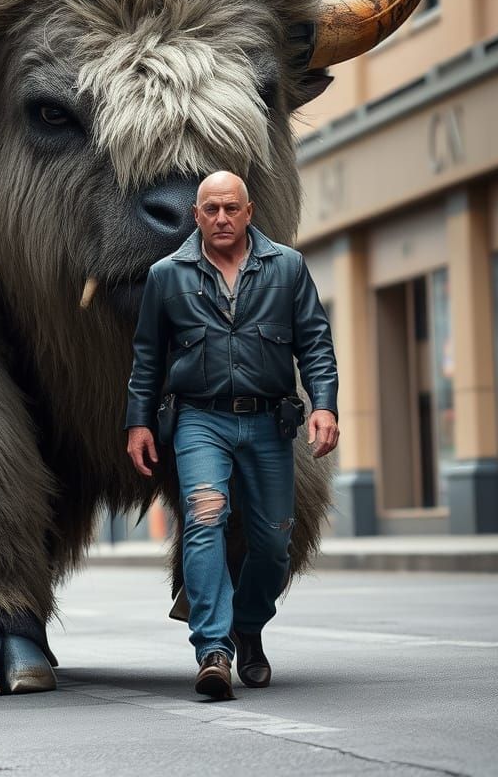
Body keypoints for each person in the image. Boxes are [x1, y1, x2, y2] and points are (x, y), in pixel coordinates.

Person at [124, 171, 339, 701]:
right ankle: (213, 649)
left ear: (249, 211)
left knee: (272, 541)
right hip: (199, 419)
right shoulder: (166, 274)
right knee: (204, 519)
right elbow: (148, 358)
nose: (221, 218)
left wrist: (325, 406)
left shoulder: (287, 268)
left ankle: (248, 622)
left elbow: (314, 343)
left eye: (231, 209)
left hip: (269, 421)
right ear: (196, 216)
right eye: (211, 209)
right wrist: (138, 422)